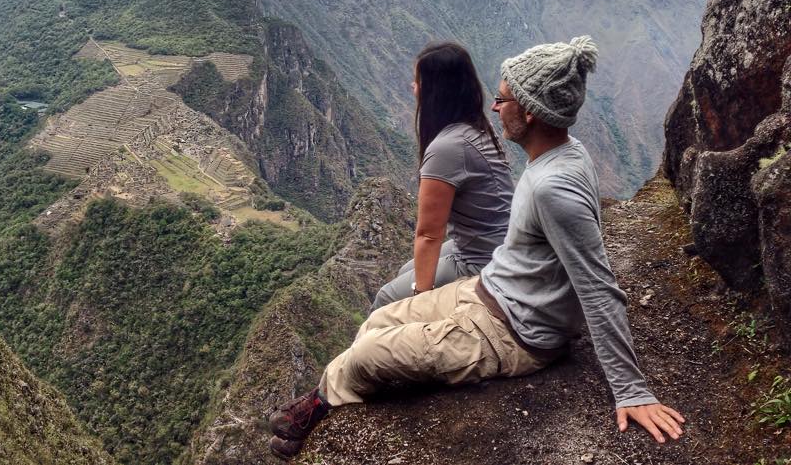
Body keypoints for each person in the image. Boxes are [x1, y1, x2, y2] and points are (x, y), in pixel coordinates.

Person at [268, 36, 685, 459]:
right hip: (488, 289)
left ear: (530, 112)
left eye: (504, 100)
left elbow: (598, 287)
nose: (496, 108)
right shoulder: (560, 154)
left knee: (365, 355)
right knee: (379, 318)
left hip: (513, 333)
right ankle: (330, 396)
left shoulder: (553, 188)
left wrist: (631, 390)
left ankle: (318, 410)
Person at [370, 41, 513, 311]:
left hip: (483, 260)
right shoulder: (477, 128)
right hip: (496, 245)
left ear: (435, 91)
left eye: (417, 81)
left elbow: (429, 234)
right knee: (406, 269)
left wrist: (422, 298)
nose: (412, 87)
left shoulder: (448, 148)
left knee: (386, 299)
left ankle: (376, 350)